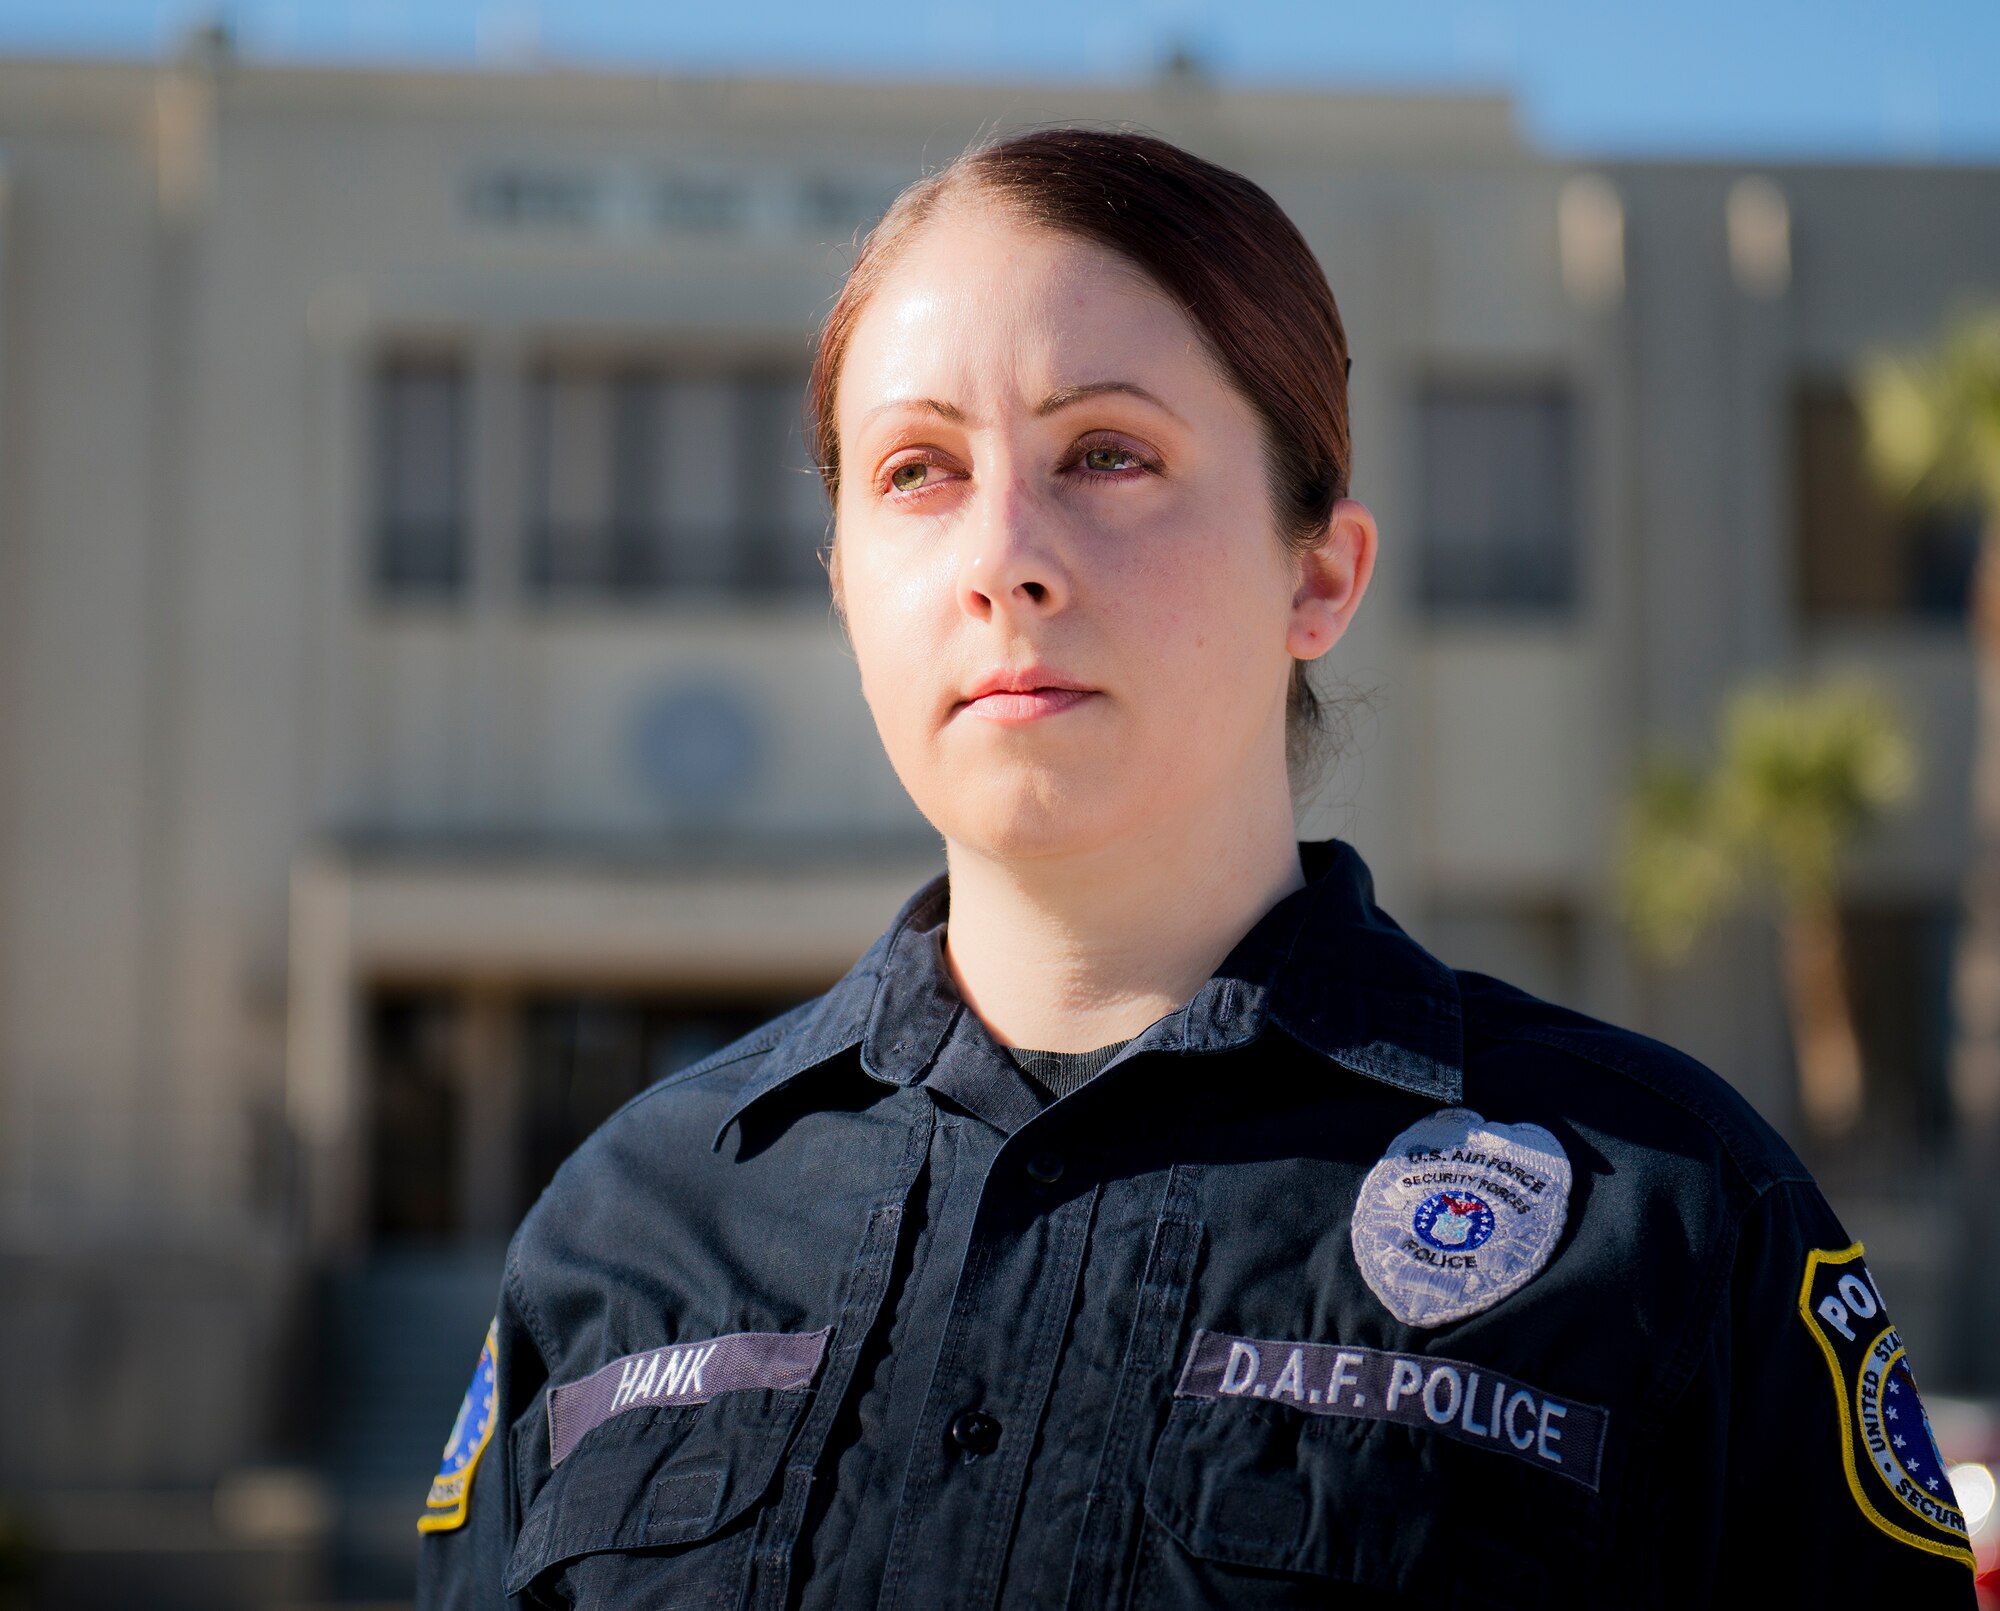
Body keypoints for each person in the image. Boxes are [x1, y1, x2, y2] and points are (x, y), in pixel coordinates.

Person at [415, 128, 1978, 1609]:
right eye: (916, 472)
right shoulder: (621, 1226)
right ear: (844, 587)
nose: (1002, 556)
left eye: (1106, 452)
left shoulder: (1671, 1219)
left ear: (1319, 573)